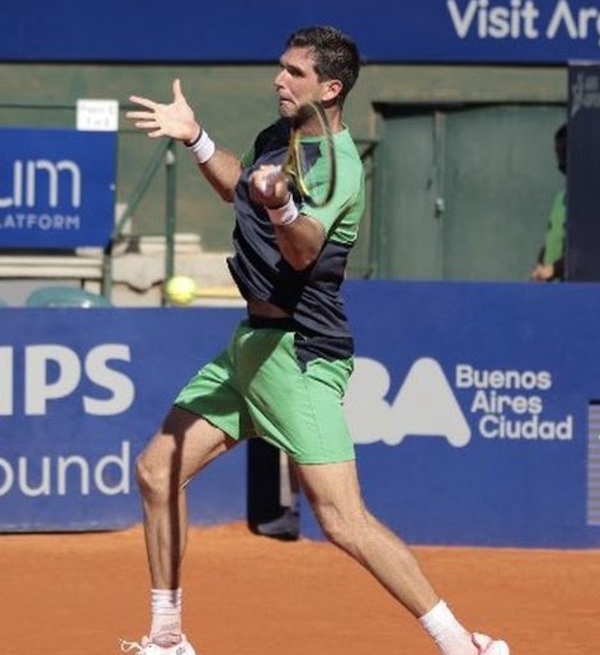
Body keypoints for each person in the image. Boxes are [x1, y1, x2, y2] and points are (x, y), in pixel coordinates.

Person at [123, 25, 510, 655]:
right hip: (251, 348)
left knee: (343, 520)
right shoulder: (277, 137)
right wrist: (196, 139)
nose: (279, 79)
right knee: (157, 470)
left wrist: (281, 207)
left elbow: (302, 251)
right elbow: (240, 187)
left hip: (300, 353)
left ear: (330, 88)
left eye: (295, 72)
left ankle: (462, 643)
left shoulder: (339, 167)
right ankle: (167, 637)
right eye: (281, 67)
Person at [531, 123, 566, 282]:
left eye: (564, 152)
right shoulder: (561, 197)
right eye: (558, 153)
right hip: (552, 288)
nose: (560, 160)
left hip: (571, 289)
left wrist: (553, 269)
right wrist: (540, 267)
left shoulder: (588, 199)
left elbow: (586, 251)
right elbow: (551, 239)